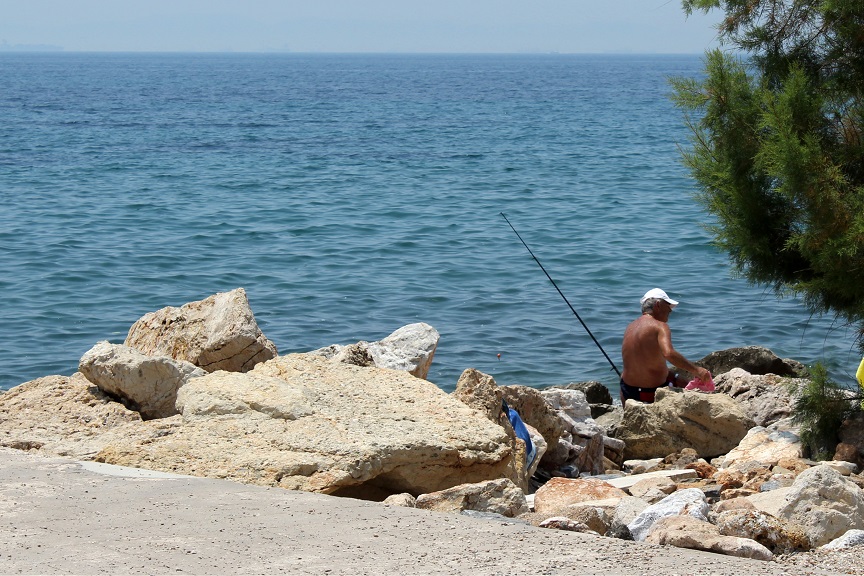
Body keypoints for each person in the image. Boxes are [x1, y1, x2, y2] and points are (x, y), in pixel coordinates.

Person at [620, 288, 711, 405]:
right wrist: (697, 370)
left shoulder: (630, 326)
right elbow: (669, 354)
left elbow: (646, 363)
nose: (670, 310)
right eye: (668, 305)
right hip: (651, 393)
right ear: (658, 305)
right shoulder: (660, 326)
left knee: (678, 379)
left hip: (628, 392)